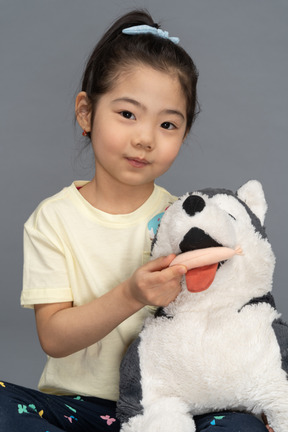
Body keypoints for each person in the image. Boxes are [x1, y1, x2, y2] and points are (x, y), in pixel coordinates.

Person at [0, 9, 272, 432]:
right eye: (127, 114)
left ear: (184, 134)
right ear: (86, 112)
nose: (145, 138)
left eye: (167, 124)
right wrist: (131, 294)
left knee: (241, 426)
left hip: (167, 412)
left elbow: (221, 320)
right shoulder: (51, 219)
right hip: (79, 410)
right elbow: (53, 337)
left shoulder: (182, 220)